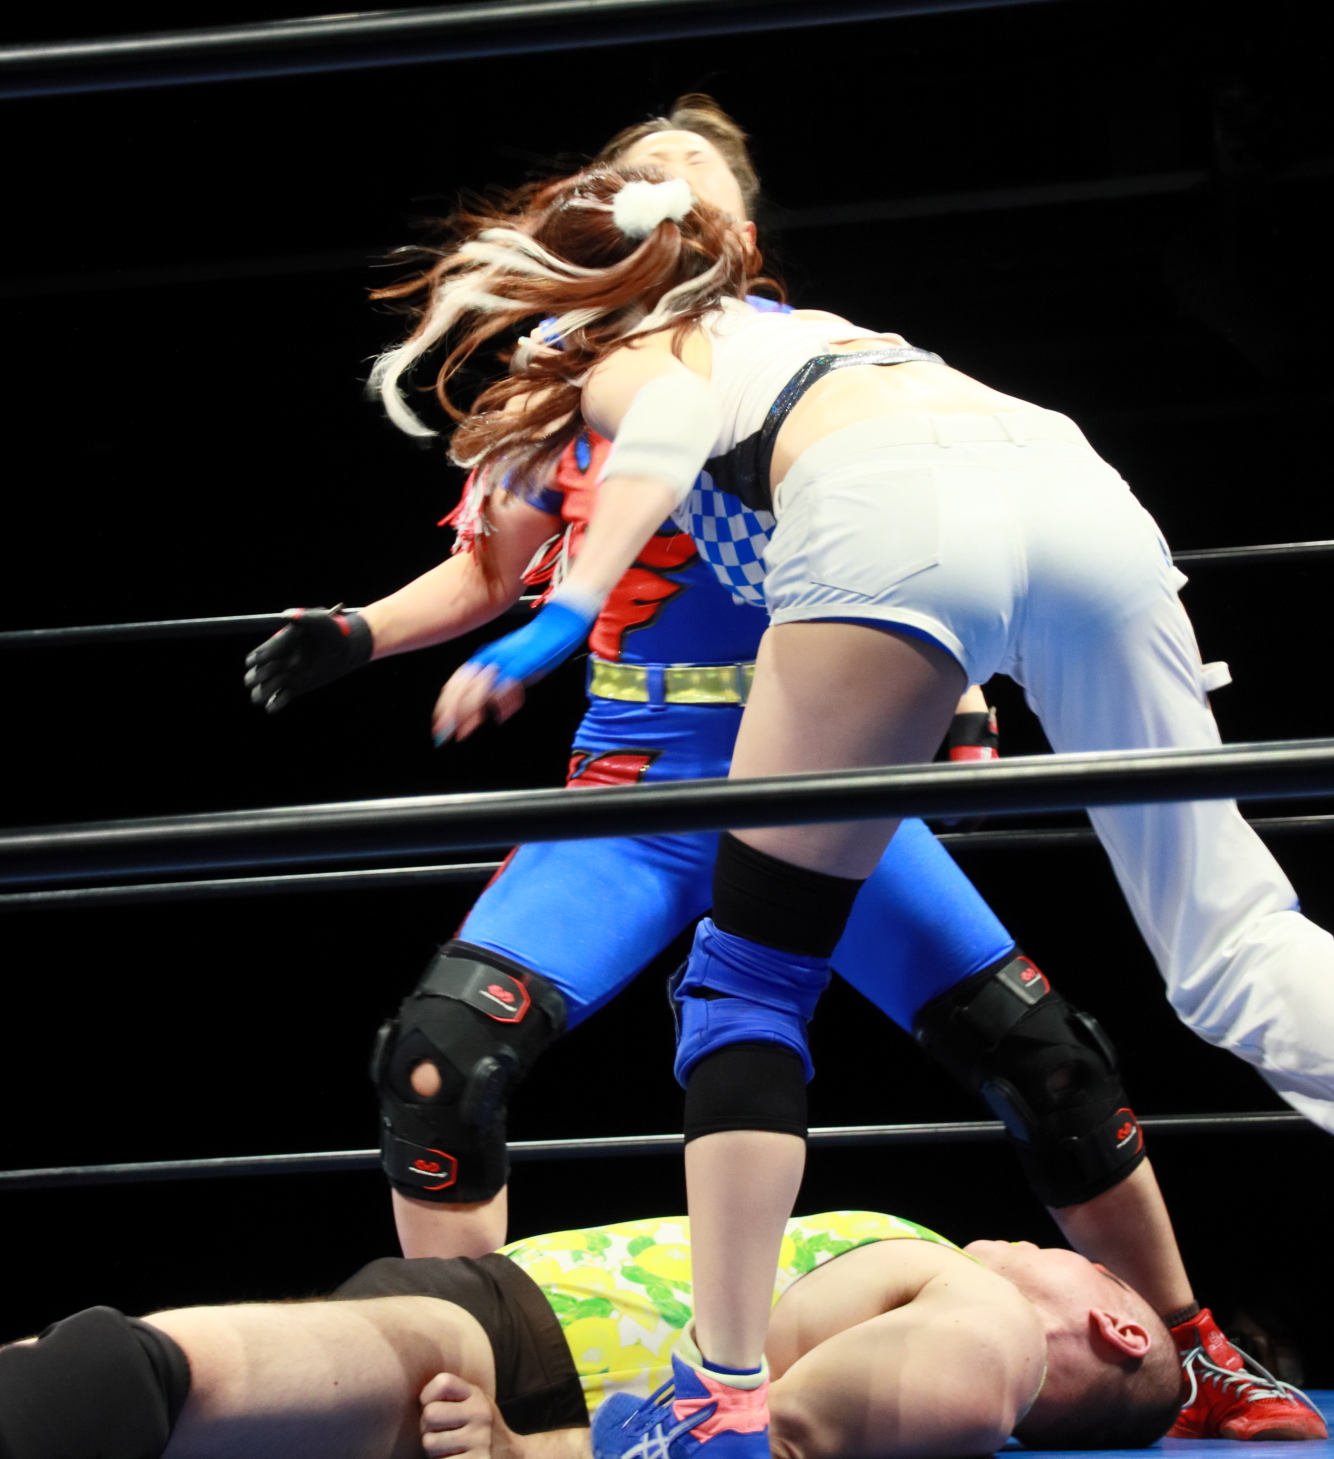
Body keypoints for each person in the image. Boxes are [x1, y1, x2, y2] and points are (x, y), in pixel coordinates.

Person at [247, 98, 1326, 1442]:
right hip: (641, 785)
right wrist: (359, 630)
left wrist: (955, 701)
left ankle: (1188, 1348)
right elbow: (487, 565)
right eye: (636, 174)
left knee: (1042, 1057)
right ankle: (462, 1383)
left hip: (822, 756)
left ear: (733, 233)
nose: (658, 190)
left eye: (686, 179)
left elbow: (895, 535)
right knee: (438, 1059)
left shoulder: (756, 346)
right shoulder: (583, 377)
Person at [0, 1207, 1189, 1459]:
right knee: (135, 1374)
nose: (1039, 1237)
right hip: (487, 1329)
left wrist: (532, 1450)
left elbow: (756, 1433)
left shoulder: (985, 1322)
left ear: (1115, 1320)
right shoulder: (930, 1272)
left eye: (1080, 1257)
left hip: (494, 1381)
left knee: (137, 1375)